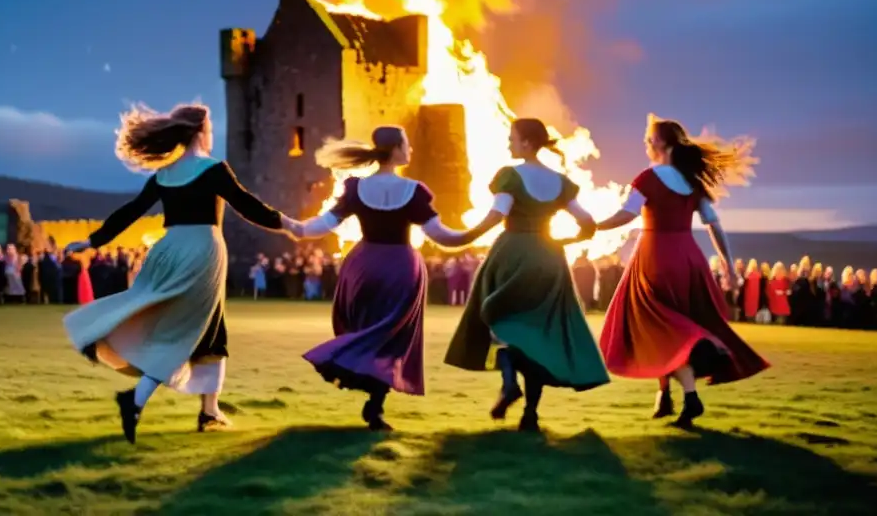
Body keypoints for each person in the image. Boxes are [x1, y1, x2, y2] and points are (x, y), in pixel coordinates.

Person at [63, 102, 296, 443]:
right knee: (186, 331)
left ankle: (210, 410)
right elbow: (247, 205)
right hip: (203, 249)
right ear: (201, 131)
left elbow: (131, 211)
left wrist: (93, 240)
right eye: (211, 127)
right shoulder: (213, 168)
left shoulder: (166, 173)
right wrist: (289, 225)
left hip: (169, 248)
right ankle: (136, 401)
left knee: (206, 328)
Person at [284, 126, 474, 430]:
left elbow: (321, 225)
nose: (410, 149)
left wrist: (295, 227)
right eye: (407, 144)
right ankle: (375, 404)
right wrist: (481, 230)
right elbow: (443, 237)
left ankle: (360, 382)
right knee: (391, 335)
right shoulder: (413, 191)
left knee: (367, 329)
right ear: (397, 149)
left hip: (363, 266)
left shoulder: (356, 188)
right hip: (400, 266)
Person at [595, 114, 768, 428]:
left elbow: (627, 214)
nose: (646, 144)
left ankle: (691, 388)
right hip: (689, 258)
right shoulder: (692, 182)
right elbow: (714, 224)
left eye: (648, 139)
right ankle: (665, 394)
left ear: (660, 143)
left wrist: (593, 226)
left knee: (660, 325)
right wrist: (728, 265)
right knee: (666, 323)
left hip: (655, 258)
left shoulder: (648, 178)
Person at [443, 118, 609, 432]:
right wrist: (567, 241)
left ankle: (509, 382)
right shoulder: (560, 181)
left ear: (528, 143)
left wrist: (464, 236)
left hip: (513, 252)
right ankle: (530, 414)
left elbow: (497, 214)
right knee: (538, 334)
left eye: (513, 138)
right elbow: (587, 222)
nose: (509, 144)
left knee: (496, 318)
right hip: (549, 257)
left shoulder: (510, 176)